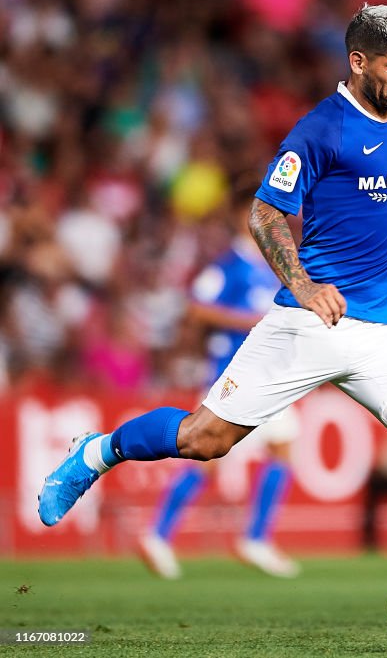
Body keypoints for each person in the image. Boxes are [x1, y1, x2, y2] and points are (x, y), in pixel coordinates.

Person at [38, 4, 387, 638]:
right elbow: (265, 215)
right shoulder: (319, 131)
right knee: (202, 441)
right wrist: (300, 285)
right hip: (310, 325)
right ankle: (96, 453)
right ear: (356, 64)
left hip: (380, 335)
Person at [139, 192, 301, 579]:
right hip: (234, 374)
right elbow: (195, 307)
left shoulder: (266, 267)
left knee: (266, 450)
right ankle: (246, 538)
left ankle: (165, 535)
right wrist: (247, 321)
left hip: (263, 373)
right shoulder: (231, 265)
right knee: (216, 454)